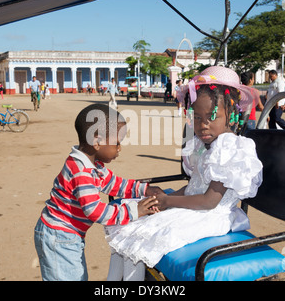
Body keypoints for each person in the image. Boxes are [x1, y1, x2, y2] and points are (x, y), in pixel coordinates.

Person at [105, 66, 262, 281]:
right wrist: (161, 200)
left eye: (212, 117)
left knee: (140, 237)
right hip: (193, 209)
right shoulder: (201, 145)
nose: (203, 125)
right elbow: (193, 187)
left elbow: (209, 201)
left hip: (211, 216)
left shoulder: (231, 148)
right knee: (128, 227)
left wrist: (168, 201)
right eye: (197, 118)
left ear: (232, 116)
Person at [34, 103, 159, 281]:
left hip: (67, 236)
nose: (119, 149)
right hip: (59, 237)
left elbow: (115, 184)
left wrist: (144, 188)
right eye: (117, 143)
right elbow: (95, 211)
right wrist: (134, 211)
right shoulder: (81, 171)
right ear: (97, 141)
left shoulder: (93, 165)